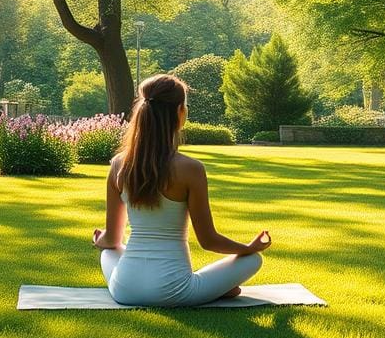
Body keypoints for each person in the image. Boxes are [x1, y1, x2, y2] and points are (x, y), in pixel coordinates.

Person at [94, 74, 271, 306]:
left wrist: (100, 241)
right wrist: (248, 248)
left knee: (109, 251)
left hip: (124, 290)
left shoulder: (118, 164)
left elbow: (113, 238)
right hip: (175, 292)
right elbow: (209, 241)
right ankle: (213, 289)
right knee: (253, 260)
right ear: (180, 113)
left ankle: (213, 288)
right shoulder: (191, 169)